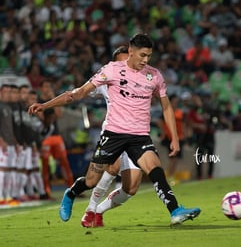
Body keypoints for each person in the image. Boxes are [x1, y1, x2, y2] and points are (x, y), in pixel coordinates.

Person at [28, 33, 201, 225]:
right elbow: (78, 93)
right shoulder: (111, 70)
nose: (146, 60)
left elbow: (166, 106)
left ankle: (175, 210)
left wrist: (175, 138)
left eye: (149, 56)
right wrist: (45, 105)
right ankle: (71, 193)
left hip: (139, 136)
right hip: (114, 134)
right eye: (142, 55)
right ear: (131, 51)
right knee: (91, 181)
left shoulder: (154, 76)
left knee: (155, 169)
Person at [81, 45, 142, 228]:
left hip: (136, 136)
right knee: (112, 167)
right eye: (120, 61)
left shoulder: (140, 80)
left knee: (131, 189)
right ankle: (90, 209)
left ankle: (99, 210)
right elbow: (85, 90)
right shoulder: (107, 77)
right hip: (114, 134)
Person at [37, 79, 74, 198]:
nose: (47, 89)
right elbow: (42, 119)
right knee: (45, 165)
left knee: (65, 163)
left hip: (56, 136)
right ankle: (46, 191)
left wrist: (53, 97)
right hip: (46, 137)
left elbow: (59, 115)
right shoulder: (39, 102)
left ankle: (72, 189)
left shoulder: (54, 100)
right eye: (45, 87)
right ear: (41, 88)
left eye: (49, 87)